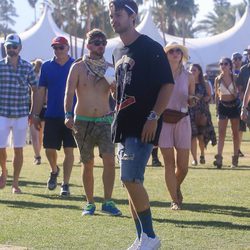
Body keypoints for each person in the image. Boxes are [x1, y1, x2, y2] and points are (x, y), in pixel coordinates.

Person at [109, 1, 174, 249]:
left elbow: (167, 85)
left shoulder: (150, 47)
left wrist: (154, 116)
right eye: (112, 15)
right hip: (122, 125)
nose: (114, 19)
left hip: (142, 124)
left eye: (118, 14)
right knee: (128, 183)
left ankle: (150, 236)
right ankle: (140, 238)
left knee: (131, 178)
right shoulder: (116, 51)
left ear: (132, 16)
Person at [64, 28, 122, 216]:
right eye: (97, 43)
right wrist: (67, 114)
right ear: (88, 45)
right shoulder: (78, 67)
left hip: (105, 119)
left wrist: (115, 88)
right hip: (82, 121)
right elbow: (69, 92)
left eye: (103, 43)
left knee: (109, 160)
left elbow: (115, 94)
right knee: (87, 162)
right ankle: (89, 203)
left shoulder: (109, 67)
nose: (100, 46)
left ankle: (108, 201)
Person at [32, 36, 76, 196]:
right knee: (49, 149)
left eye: (61, 47)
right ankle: (54, 170)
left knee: (69, 151)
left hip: (71, 115)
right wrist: (35, 114)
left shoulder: (75, 65)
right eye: (55, 48)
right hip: (51, 115)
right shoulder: (46, 66)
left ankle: (65, 184)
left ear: (67, 48)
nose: (58, 51)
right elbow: (40, 91)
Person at [158, 42, 195, 210]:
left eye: (178, 51)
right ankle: (174, 200)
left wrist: (192, 100)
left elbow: (191, 97)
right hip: (164, 120)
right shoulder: (159, 75)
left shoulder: (189, 76)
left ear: (182, 55)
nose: (175, 53)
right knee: (169, 164)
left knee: (184, 167)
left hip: (183, 120)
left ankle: (175, 186)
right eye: (171, 51)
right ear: (166, 55)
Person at [0, 34, 37, 193]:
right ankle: (4, 170)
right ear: (5, 48)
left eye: (14, 46)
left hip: (21, 114)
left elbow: (35, 89)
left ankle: (15, 184)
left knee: (18, 149)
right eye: (9, 46)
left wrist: (33, 112)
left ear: (19, 48)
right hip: (2, 113)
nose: (11, 49)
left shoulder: (27, 67)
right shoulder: (0, 66)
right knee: (0, 147)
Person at [214, 57, 240, 169]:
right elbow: (216, 95)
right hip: (222, 106)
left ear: (230, 65)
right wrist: (216, 108)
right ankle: (219, 158)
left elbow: (240, 91)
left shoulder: (235, 78)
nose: (223, 66)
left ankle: (235, 159)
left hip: (234, 106)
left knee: (235, 133)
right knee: (221, 133)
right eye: (221, 64)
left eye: (225, 63)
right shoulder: (218, 79)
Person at [189, 64, 216, 166]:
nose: (192, 72)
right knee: (192, 136)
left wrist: (206, 98)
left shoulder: (204, 83)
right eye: (191, 70)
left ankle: (202, 155)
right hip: (190, 112)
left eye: (194, 70)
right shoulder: (187, 83)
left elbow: (210, 96)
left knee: (200, 136)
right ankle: (194, 159)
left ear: (199, 71)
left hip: (202, 112)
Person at [30, 59, 44, 165]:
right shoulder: (35, 77)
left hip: (36, 108)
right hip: (41, 108)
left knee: (36, 135)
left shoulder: (33, 77)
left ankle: (37, 156)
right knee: (38, 135)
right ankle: (37, 156)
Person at [236, 48, 250, 157]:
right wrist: (243, 107)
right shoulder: (244, 69)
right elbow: (242, 89)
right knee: (240, 128)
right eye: (248, 53)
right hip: (247, 104)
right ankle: (238, 150)